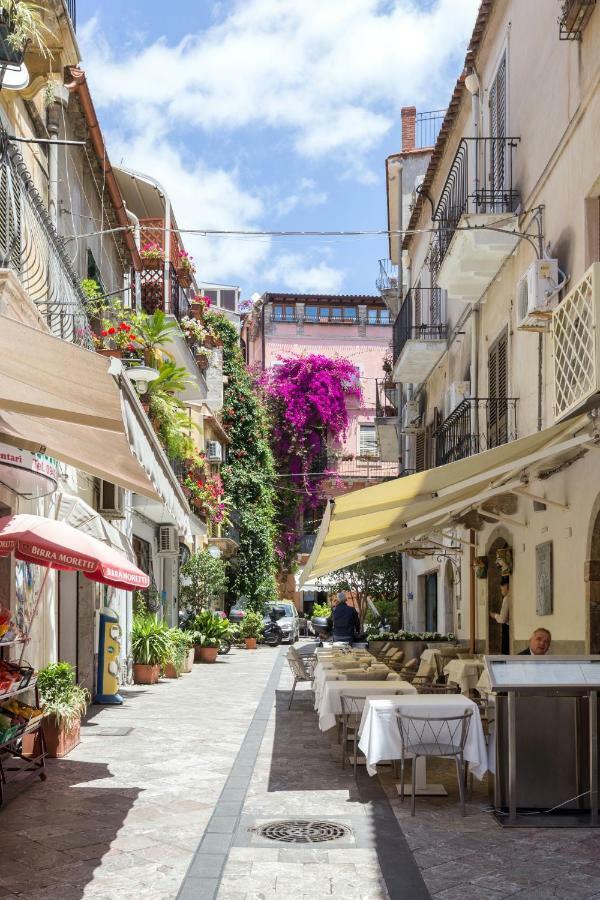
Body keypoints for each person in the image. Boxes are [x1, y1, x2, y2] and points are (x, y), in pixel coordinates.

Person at [490, 577, 511, 654]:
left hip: (507, 628)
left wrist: (494, 615)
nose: (501, 591)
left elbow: (503, 619)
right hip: (509, 627)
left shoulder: (507, 598)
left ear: (506, 586)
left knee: (506, 653)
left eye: (502, 589)